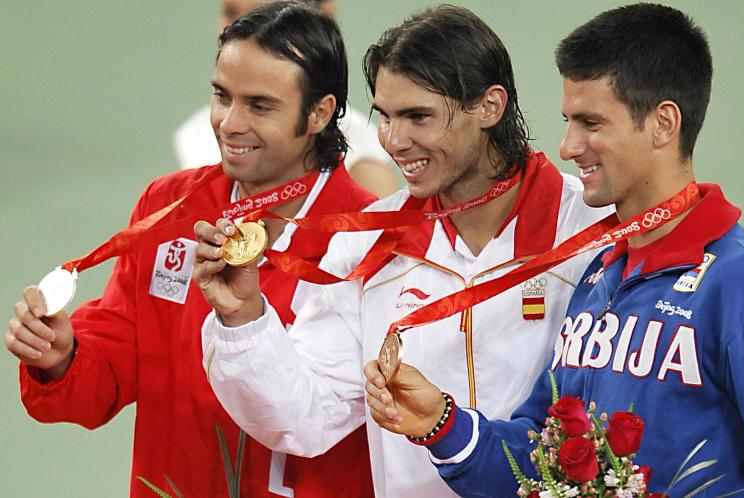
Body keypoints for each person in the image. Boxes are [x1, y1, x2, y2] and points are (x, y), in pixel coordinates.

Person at [363, 3, 744, 497]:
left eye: (590, 123)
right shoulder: (599, 276)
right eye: (568, 121)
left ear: (663, 123)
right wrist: (442, 424)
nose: (568, 146)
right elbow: (542, 461)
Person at [195, 5, 610, 497]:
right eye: (385, 117)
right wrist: (243, 316)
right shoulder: (368, 244)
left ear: (490, 107)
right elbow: (304, 416)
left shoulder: (593, 234)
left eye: (418, 116)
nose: (394, 141)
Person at [5, 3, 376, 496]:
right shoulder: (168, 207)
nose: (228, 122)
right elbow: (117, 356)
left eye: (259, 105)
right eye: (222, 96)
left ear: (319, 113)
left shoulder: (368, 237)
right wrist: (64, 356)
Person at [175, 0, 402, 198]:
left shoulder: (361, 152)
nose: (244, 28)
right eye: (231, 12)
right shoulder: (195, 133)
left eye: (263, 13)